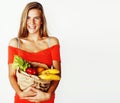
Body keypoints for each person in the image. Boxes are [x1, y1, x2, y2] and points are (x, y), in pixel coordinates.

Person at [8, 1, 61, 103]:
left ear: (42, 21)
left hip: (45, 99)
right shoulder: (15, 43)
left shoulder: (52, 42)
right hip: (23, 99)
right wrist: (20, 93)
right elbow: (11, 75)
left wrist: (48, 95)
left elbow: (57, 75)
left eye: (36, 18)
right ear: (24, 20)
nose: (31, 22)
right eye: (28, 18)